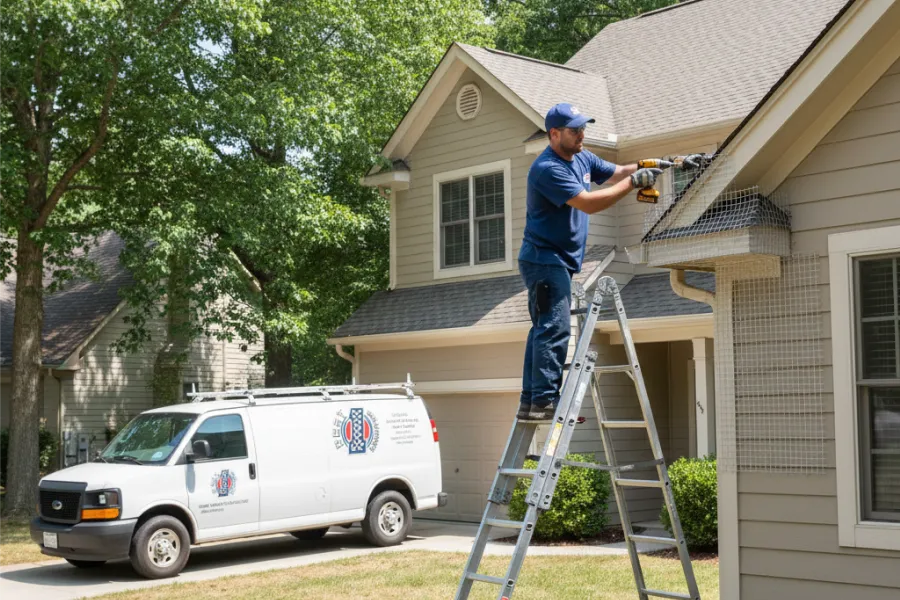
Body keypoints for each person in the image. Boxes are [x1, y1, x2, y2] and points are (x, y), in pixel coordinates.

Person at [516, 102, 664, 421]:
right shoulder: (547, 168)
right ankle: (543, 402)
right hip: (544, 259)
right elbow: (589, 204)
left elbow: (618, 172)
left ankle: (532, 401)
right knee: (554, 328)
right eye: (575, 130)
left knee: (544, 327)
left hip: (558, 260)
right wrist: (635, 183)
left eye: (584, 128)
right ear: (554, 134)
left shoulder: (581, 155)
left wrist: (658, 164)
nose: (582, 134)